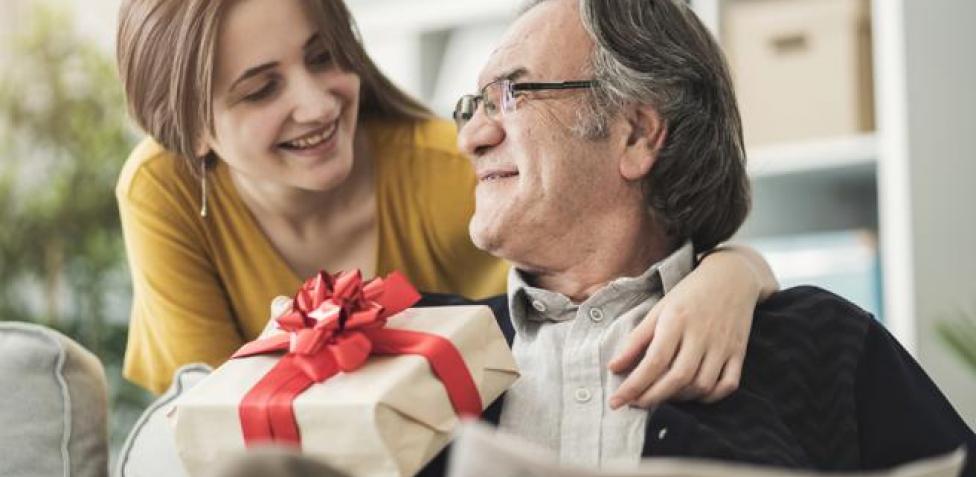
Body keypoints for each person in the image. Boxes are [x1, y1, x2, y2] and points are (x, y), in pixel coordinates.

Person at [114, 0, 778, 398]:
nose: (315, 103)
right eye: (261, 90)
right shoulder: (163, 191)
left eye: (323, 57)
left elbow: (629, 243)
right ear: (190, 128)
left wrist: (733, 269)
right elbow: (203, 416)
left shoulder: (455, 165)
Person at [451, 0, 976, 473]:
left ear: (635, 133)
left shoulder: (826, 345)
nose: (471, 136)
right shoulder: (427, 351)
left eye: (510, 95)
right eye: (473, 106)